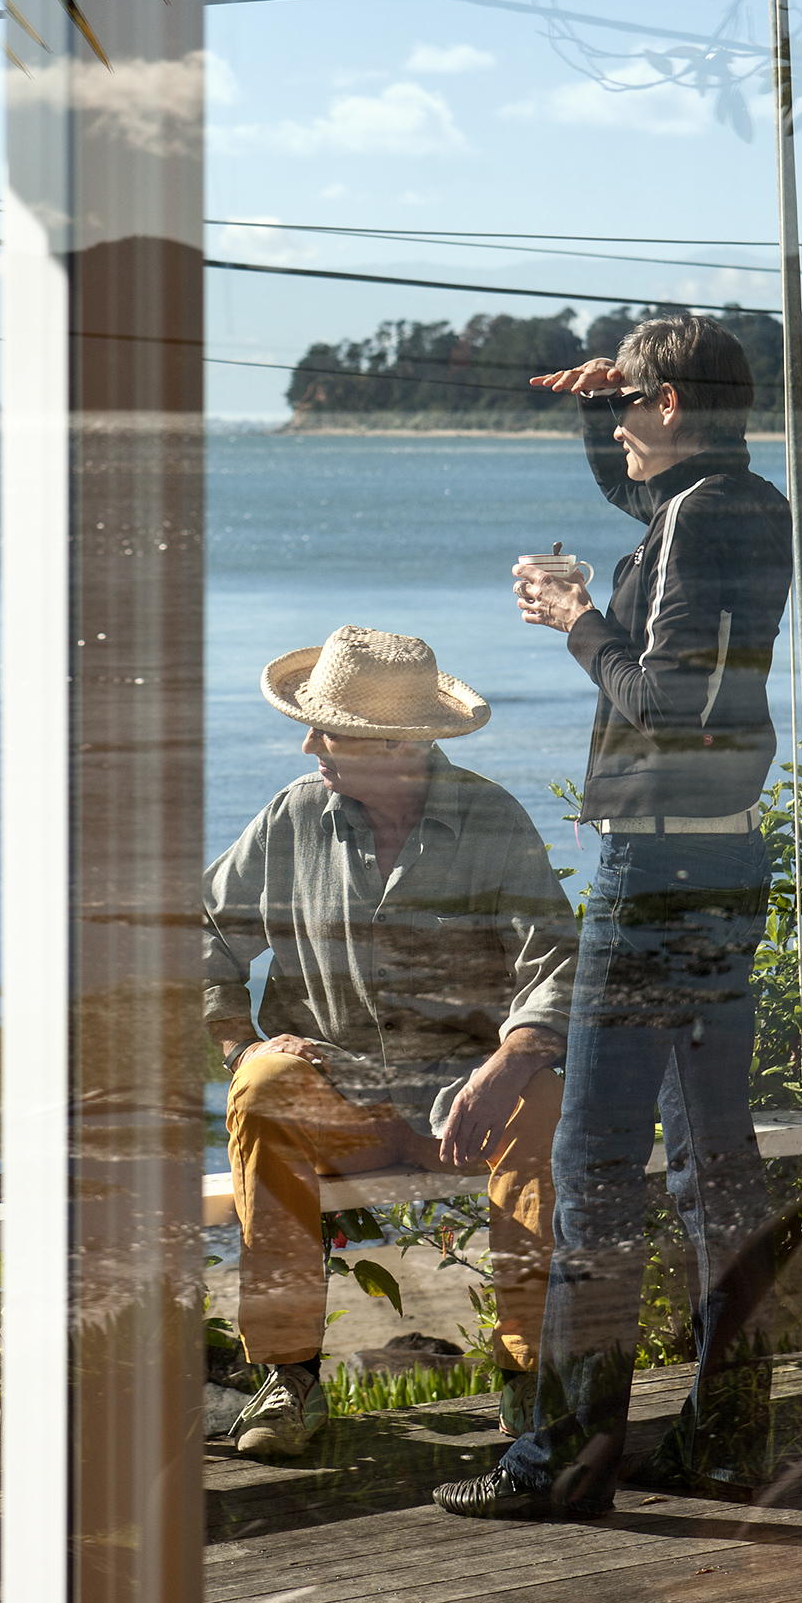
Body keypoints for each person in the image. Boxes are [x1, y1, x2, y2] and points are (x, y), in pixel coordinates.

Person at [434, 311, 794, 1521]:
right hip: (728, 862)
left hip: (653, 877)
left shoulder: (697, 517)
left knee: (594, 1161)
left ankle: (561, 1459)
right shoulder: (740, 503)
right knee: (710, 1164)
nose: (622, 434)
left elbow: (665, 701)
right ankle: (730, 1438)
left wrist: (573, 619)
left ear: (675, 408)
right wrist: (603, 403)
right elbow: (646, 491)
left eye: (633, 405)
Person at [205, 624, 578, 1459]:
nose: (308, 744)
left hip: (463, 1111)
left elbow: (557, 958)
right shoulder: (292, 817)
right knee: (261, 1092)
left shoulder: (492, 819)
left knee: (545, 1099)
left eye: (326, 730)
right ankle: (290, 1380)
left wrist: (510, 1061)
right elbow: (202, 931)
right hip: (340, 1103)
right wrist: (241, 1043)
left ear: (394, 744)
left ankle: (530, 1380)